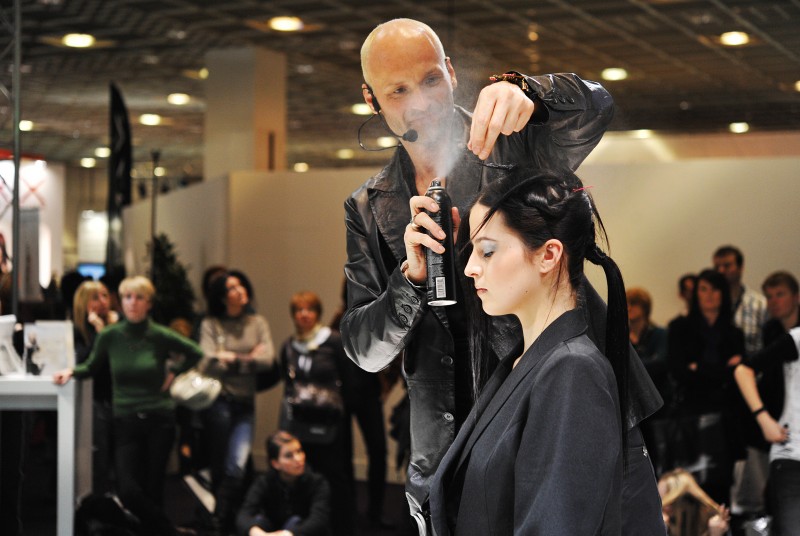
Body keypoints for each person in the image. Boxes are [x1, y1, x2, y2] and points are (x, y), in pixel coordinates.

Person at [340, 17, 662, 533]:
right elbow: (364, 348)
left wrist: (531, 92)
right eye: (397, 91)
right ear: (371, 99)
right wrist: (410, 280)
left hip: (558, 414)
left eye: (430, 80)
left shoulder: (512, 141)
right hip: (448, 456)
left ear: (450, 72)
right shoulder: (367, 207)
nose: (420, 103)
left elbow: (597, 107)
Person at [427, 170, 662, 534]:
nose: (470, 268)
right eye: (472, 251)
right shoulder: (525, 361)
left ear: (549, 255)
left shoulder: (573, 372)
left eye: (487, 251)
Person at [53, 275, 203, 536]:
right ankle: (171, 532)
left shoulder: (159, 334)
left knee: (154, 487)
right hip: (126, 419)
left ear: (149, 303)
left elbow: (195, 352)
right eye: (127, 297)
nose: (133, 303)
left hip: (159, 418)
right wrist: (71, 372)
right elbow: (91, 365)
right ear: (120, 302)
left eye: (139, 298)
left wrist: (174, 372)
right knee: (128, 490)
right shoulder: (110, 335)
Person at [198, 270, 277, 535]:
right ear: (222, 297)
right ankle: (219, 522)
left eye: (241, 285)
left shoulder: (257, 322)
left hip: (245, 403)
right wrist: (249, 357)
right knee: (219, 465)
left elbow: (268, 360)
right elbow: (206, 361)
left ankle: (219, 518)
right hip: (219, 402)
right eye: (232, 288)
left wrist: (231, 358)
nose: (240, 290)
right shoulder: (211, 324)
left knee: (237, 465)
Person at [667, 269, 745, 506]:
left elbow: (738, 376)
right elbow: (678, 372)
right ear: (696, 294)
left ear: (723, 294)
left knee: (722, 489)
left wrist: (698, 368)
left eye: (715, 289)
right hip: (691, 417)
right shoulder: (679, 328)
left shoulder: (734, 333)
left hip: (725, 419)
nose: (709, 295)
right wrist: (722, 370)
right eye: (703, 289)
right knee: (690, 487)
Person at [279, 291, 354, 536]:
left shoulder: (333, 341)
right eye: (299, 310)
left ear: (318, 313)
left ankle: (342, 528)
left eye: (309, 309)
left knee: (334, 475)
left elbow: (349, 379)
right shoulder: (289, 345)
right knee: (303, 474)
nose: (304, 314)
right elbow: (287, 384)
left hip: (330, 421)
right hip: (300, 422)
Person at [733, 271, 800, 536]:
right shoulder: (788, 336)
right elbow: (744, 370)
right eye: (770, 296)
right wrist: (763, 418)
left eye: (780, 294)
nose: (774, 301)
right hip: (791, 447)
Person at [712, 246, 770, 522]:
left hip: (752, 389)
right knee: (726, 463)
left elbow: (767, 348)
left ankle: (756, 513)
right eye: (718, 266)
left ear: (740, 267)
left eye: (728, 265)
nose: (723, 271)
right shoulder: (713, 304)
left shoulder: (759, 304)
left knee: (752, 459)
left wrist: (744, 361)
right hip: (721, 392)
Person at [73, 280, 120, 494]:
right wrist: (100, 332)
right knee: (99, 459)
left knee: (121, 461)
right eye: (95, 297)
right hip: (94, 400)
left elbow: (120, 359)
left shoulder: (119, 324)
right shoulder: (78, 331)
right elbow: (84, 362)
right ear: (83, 303)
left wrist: (108, 330)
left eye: (105, 295)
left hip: (119, 398)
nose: (102, 302)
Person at [236, 431, 331, 536]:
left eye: (299, 451)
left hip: (299, 533)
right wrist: (256, 532)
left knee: (295, 521)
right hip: (272, 532)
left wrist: (288, 534)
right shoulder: (265, 482)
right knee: (258, 521)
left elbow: (319, 520)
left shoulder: (317, 483)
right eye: (289, 456)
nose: (298, 459)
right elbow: (244, 514)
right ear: (275, 463)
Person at [627, 287, 672, 477]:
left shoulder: (659, 334)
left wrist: (634, 362)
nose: (629, 308)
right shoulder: (621, 334)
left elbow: (662, 363)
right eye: (626, 303)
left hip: (659, 401)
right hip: (633, 405)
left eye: (634, 303)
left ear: (645, 307)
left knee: (661, 451)